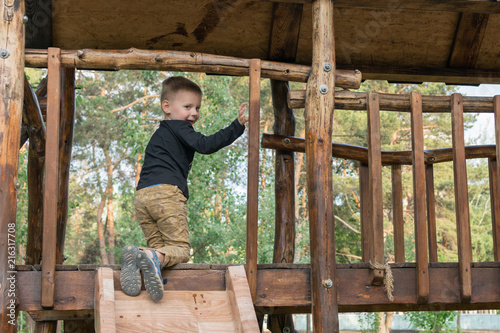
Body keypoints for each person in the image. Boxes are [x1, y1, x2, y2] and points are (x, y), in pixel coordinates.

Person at [120, 76, 248, 301]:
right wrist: (236, 127)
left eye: (197, 107)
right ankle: (148, 256)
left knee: (162, 250)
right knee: (179, 249)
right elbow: (205, 145)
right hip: (166, 195)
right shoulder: (179, 127)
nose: (194, 113)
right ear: (166, 107)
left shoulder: (160, 133)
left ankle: (147, 264)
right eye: (187, 106)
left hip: (142, 197)